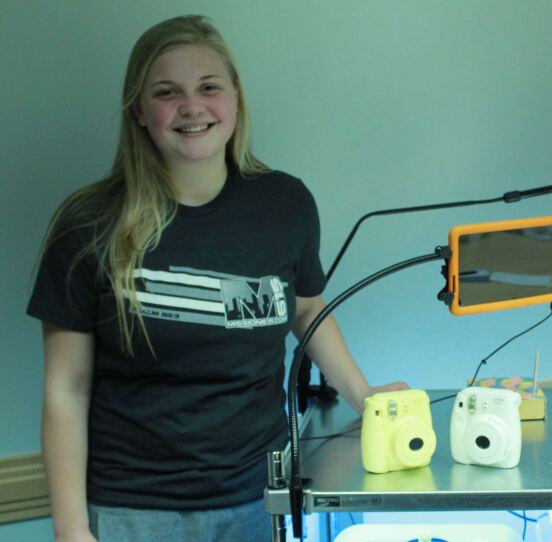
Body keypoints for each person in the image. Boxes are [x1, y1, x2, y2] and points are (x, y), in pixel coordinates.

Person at [27, 15, 406, 542]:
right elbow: (66, 388)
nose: (192, 107)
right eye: (167, 92)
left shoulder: (284, 204)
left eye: (208, 87)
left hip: (260, 497)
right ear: (138, 111)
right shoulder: (89, 224)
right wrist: (70, 528)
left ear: (235, 98)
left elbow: (304, 308)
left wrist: (363, 393)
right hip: (134, 511)